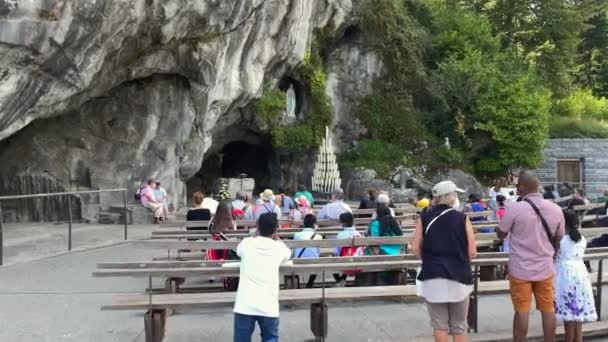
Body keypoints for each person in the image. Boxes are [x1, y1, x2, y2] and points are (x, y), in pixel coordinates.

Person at [497, 170, 565, 342]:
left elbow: (501, 234)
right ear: (538, 187)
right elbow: (559, 237)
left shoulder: (514, 208)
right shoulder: (556, 209)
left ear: (521, 188)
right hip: (546, 268)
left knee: (522, 310)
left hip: (520, 269)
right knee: (548, 308)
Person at [412, 180, 477, 342]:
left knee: (439, 325)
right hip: (459, 275)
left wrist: (428, 258)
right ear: (450, 197)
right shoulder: (462, 218)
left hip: (433, 274)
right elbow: (472, 251)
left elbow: (414, 247)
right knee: (459, 325)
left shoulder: (424, 217)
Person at [233, 212, 292, 342]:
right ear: (276, 229)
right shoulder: (279, 247)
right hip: (268, 303)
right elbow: (288, 254)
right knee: (270, 338)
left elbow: (238, 250)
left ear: (257, 227)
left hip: (245, 303)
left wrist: (254, 236)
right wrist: (277, 239)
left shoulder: (247, 243)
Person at [554, 210, 597, 342]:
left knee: (568, 315)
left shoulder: (560, 240)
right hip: (580, 273)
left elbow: (554, 256)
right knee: (577, 312)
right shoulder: (581, 239)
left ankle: (569, 339)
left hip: (565, 275)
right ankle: (578, 339)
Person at [334, 212, 364, 287]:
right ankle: (342, 279)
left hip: (344, 261)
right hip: (357, 260)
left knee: (329, 261)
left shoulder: (340, 235)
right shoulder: (358, 234)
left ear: (342, 223)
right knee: (349, 258)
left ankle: (341, 280)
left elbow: (337, 252)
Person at [293, 214, 323, 288]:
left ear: (304, 223)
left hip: (298, 260)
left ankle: (298, 284)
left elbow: (294, 250)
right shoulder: (319, 236)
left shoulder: (297, 235)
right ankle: (310, 283)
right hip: (313, 261)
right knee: (316, 260)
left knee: (293, 258)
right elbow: (318, 252)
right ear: (314, 224)